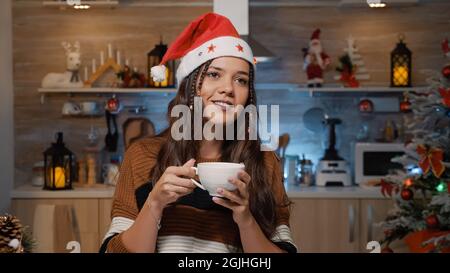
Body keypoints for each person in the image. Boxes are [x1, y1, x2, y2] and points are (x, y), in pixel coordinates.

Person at [100, 13, 297, 253]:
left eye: (241, 80)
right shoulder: (143, 155)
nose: (228, 89)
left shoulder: (265, 163)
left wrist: (246, 220)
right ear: (190, 86)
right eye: (214, 74)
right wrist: (154, 203)